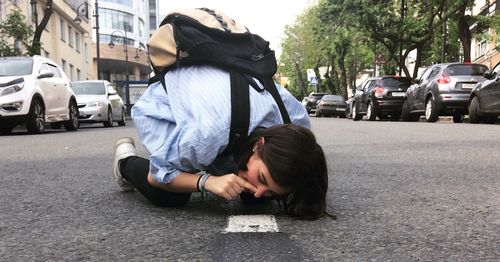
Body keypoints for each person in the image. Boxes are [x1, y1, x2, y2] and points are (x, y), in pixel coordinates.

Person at [113, 66, 328, 220]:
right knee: (170, 195)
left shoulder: (296, 125)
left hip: (224, 107)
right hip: (165, 106)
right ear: (259, 145)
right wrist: (205, 182)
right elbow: (158, 175)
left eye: (271, 190)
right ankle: (125, 162)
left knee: (255, 200)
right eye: (262, 178)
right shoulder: (207, 134)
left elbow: (305, 166)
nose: (259, 190)